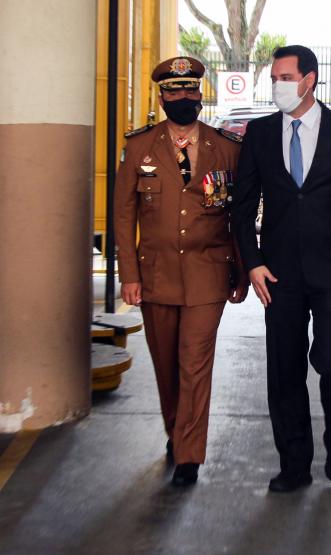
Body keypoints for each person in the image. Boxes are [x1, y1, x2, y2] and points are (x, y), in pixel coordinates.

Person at [231, 45, 331, 493]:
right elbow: (241, 209)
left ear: (309, 80)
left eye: (284, 76)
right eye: (274, 78)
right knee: (284, 370)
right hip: (277, 272)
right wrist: (252, 263)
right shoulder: (259, 134)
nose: (277, 85)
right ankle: (294, 464)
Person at [114, 56, 248, 487]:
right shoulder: (139, 147)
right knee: (166, 364)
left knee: (194, 363)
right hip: (155, 275)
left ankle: (189, 454)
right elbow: (122, 215)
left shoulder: (226, 147)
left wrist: (242, 272)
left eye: (191, 90)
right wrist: (129, 275)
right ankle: (175, 431)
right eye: (174, 92)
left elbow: (240, 217)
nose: (184, 98)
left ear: (201, 95)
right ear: (161, 97)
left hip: (209, 273)